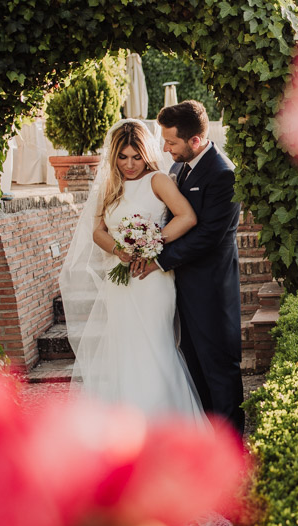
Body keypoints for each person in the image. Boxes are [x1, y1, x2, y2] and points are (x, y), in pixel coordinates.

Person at [59, 119, 208, 427]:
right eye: (123, 157)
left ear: (146, 154)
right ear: (114, 156)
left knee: (155, 347)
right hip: (120, 281)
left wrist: (152, 244)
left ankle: (165, 426)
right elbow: (98, 232)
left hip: (152, 280)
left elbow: (187, 216)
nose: (129, 164)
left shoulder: (158, 180)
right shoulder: (109, 186)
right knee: (125, 351)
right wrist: (118, 249)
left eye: (136, 156)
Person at [130, 100, 245, 434]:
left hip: (211, 289)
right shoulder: (178, 169)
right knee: (193, 364)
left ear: (195, 140)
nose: (165, 149)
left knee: (219, 368)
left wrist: (158, 259)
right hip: (179, 287)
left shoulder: (223, 174)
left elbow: (209, 235)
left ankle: (231, 444)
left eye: (171, 142)